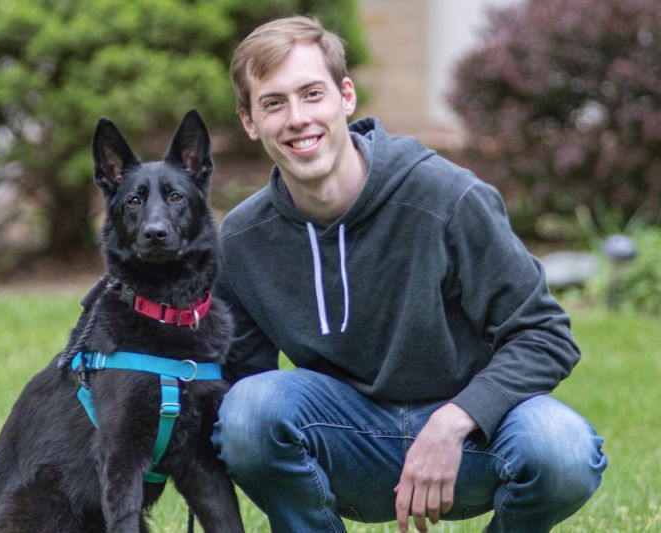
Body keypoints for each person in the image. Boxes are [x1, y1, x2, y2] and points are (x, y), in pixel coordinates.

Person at [210, 15, 606, 533]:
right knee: (246, 412)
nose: (297, 118)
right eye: (273, 103)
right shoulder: (242, 239)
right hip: (344, 441)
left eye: (312, 94)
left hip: (473, 444)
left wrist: (454, 420)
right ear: (249, 121)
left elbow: (545, 334)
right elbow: (237, 382)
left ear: (345, 97)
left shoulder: (447, 198)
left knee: (563, 449)